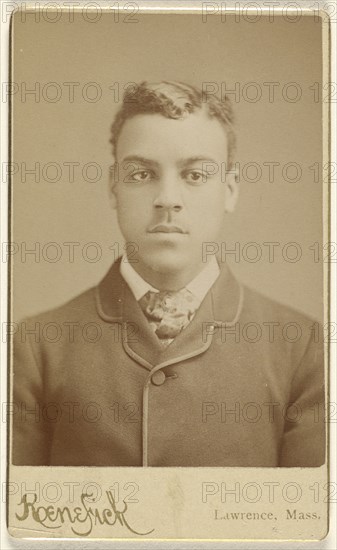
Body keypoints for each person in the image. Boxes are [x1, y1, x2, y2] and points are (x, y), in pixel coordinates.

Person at [12, 81, 325, 467]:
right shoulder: (38, 346)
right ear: (114, 188)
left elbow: (310, 523)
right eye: (142, 174)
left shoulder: (300, 347)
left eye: (194, 175)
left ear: (229, 190)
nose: (167, 199)